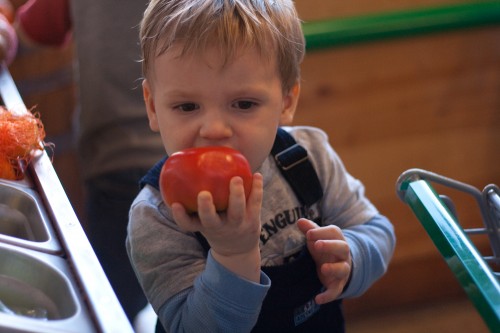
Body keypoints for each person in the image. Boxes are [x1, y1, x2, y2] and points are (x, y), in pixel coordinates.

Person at [126, 0, 396, 332]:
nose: (213, 129)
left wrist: (351, 257)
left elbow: (378, 231)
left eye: (243, 104)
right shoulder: (158, 215)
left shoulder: (306, 157)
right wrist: (232, 255)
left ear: (287, 102)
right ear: (153, 107)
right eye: (187, 106)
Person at [0, 0, 165, 325]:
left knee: (114, 304)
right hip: (188, 157)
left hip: (113, 165)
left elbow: (32, 28)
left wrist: (7, 36)